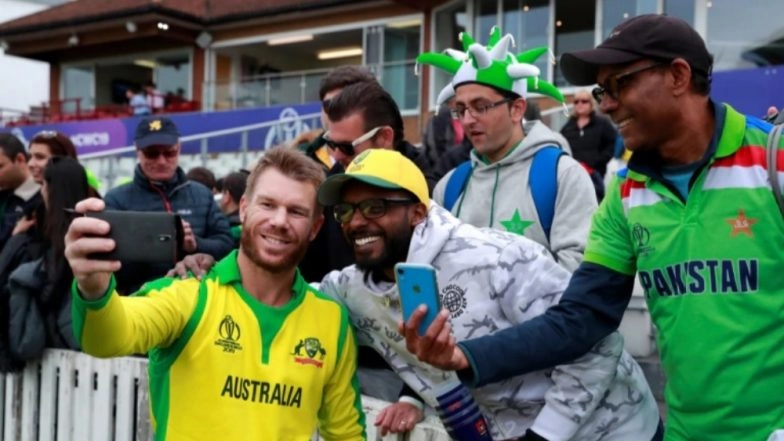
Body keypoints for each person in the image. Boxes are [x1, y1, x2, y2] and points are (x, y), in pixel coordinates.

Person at [403, 14, 784, 441]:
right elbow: (582, 317)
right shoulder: (624, 193)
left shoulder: (774, 158)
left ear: (678, 75)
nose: (606, 104)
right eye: (602, 91)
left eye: (619, 84)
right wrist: (464, 356)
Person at [315, 149, 660, 440]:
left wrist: (543, 436)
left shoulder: (496, 257)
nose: (356, 222)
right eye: (345, 211)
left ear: (418, 212)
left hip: (614, 428)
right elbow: (295, 300)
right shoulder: (351, 289)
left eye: (375, 207)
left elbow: (600, 344)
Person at [64, 148, 366, 440]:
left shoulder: (331, 319)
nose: (279, 221)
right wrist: (94, 287)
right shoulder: (188, 294)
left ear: (315, 227)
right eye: (268, 205)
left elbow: (346, 433)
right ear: (245, 208)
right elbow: (107, 339)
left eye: (296, 211)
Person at [419, 27, 597, 272]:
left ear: (517, 109)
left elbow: (578, 276)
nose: (468, 120)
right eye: (461, 109)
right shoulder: (448, 187)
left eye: (480, 106)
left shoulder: (563, 176)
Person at [104, 117, 233, 294]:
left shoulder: (202, 195)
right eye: (152, 153)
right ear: (138, 151)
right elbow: (109, 265)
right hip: (139, 303)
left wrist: (195, 245)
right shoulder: (116, 200)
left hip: (196, 301)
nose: (162, 161)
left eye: (169, 153)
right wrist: (148, 243)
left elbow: (227, 246)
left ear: (178, 149)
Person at [1, 156, 87, 372]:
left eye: (43, 185)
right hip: (75, 349)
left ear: (52, 189)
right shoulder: (92, 229)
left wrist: (15, 240)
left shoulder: (49, 240)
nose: (40, 192)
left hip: (54, 350)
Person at [323, 81, 433, 189]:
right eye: (332, 144)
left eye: (346, 147)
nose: (336, 156)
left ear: (384, 138)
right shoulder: (331, 183)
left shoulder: (429, 195)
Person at [560, 90, 618, 200]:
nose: (580, 104)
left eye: (584, 101)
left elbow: (613, 143)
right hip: (573, 176)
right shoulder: (567, 126)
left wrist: (598, 161)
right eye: (576, 102)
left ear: (591, 104)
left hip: (595, 175)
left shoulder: (602, 123)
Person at [26, 130, 102, 195]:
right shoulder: (33, 203)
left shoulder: (87, 203)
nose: (30, 164)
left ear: (63, 161)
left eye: (40, 157)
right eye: (30, 157)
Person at [0, 133, 41, 250]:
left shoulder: (43, 198)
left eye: (0, 166)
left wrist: (14, 239)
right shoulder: (4, 194)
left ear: (20, 159)